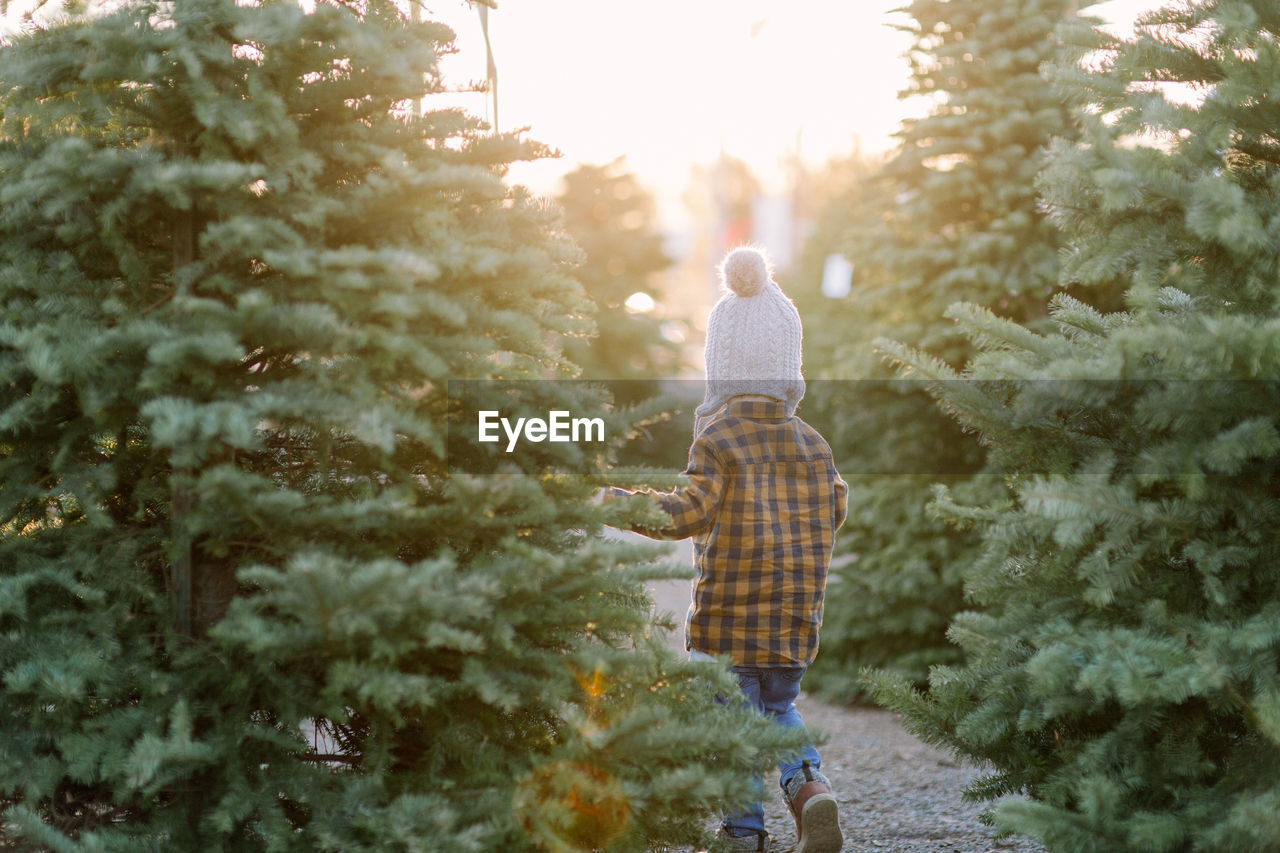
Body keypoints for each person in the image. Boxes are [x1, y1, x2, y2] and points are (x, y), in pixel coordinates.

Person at [609, 246, 847, 853]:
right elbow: (837, 504)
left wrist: (620, 502)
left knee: (733, 726)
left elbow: (688, 511)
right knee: (779, 711)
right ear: (789, 371)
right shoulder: (814, 444)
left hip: (729, 627)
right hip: (794, 624)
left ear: (720, 369)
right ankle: (810, 789)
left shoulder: (717, 439)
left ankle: (743, 834)